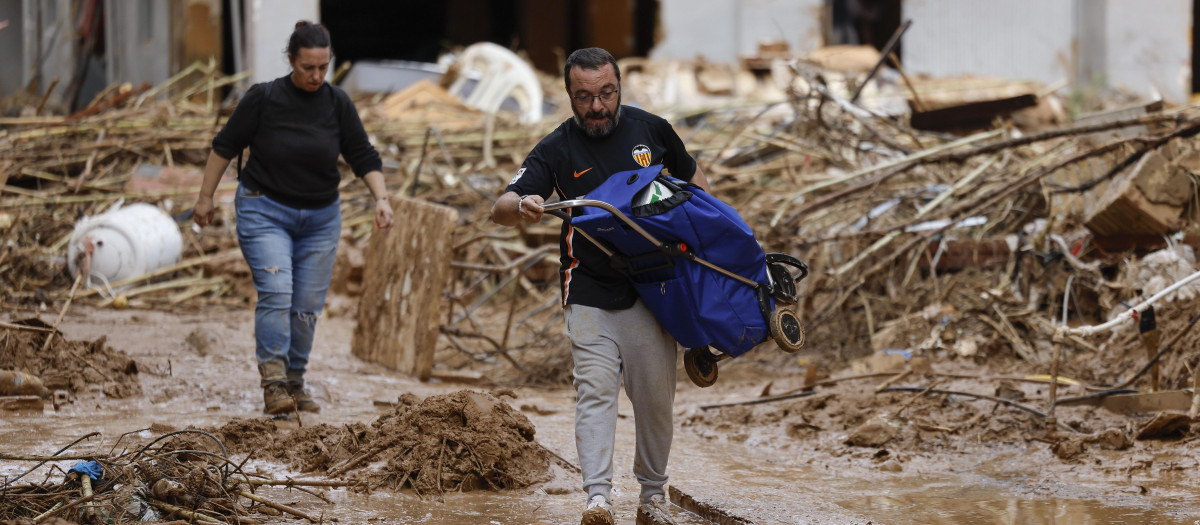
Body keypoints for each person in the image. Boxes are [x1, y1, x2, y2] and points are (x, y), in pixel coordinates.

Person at [491, 47, 710, 525]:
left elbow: (696, 183)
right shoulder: (556, 148)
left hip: (655, 288)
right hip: (588, 284)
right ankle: (598, 499)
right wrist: (524, 203)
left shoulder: (652, 129)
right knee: (595, 391)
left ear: (619, 88)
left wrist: (712, 240)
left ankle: (653, 497)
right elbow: (501, 207)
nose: (597, 107)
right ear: (569, 95)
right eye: (584, 97)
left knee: (655, 398)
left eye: (606, 94)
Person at [193, 21, 394, 415]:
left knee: (305, 306)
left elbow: (363, 155)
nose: (317, 76)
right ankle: (273, 383)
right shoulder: (263, 99)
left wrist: (381, 198)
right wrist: (205, 197)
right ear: (291, 60)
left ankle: (295, 381)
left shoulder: (337, 103)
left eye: (323, 67)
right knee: (277, 292)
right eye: (308, 68)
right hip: (264, 209)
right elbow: (224, 146)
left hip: (320, 219)